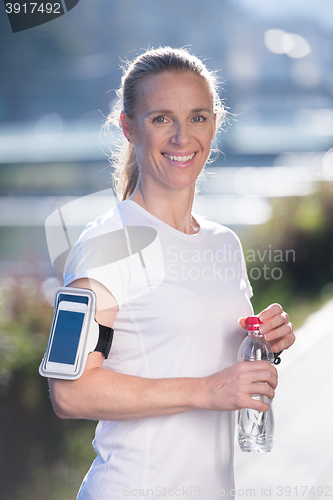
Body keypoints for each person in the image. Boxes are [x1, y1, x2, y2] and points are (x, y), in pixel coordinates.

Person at [49, 47, 295, 499]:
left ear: (214, 124)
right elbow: (70, 391)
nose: (183, 137)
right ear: (128, 127)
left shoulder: (224, 244)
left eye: (197, 117)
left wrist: (261, 344)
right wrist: (208, 390)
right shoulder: (105, 243)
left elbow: (187, 347)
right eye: (161, 118)